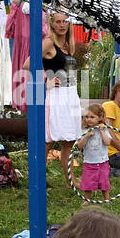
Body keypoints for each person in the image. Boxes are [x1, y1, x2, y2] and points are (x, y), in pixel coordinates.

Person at [43, 12, 83, 175]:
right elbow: (27, 64)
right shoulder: (49, 42)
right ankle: (39, 180)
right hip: (56, 96)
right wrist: (46, 80)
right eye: (58, 22)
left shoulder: (68, 45)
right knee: (48, 139)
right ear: (52, 24)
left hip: (70, 94)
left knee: (69, 141)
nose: (62, 25)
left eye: (65, 21)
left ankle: (70, 181)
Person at [76, 103, 120, 202]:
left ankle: (106, 199)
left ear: (100, 117)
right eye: (87, 117)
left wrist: (101, 131)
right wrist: (87, 136)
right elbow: (79, 146)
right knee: (88, 183)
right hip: (89, 162)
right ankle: (87, 200)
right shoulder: (84, 130)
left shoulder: (104, 129)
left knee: (104, 182)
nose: (89, 119)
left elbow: (107, 142)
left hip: (102, 162)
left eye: (92, 117)